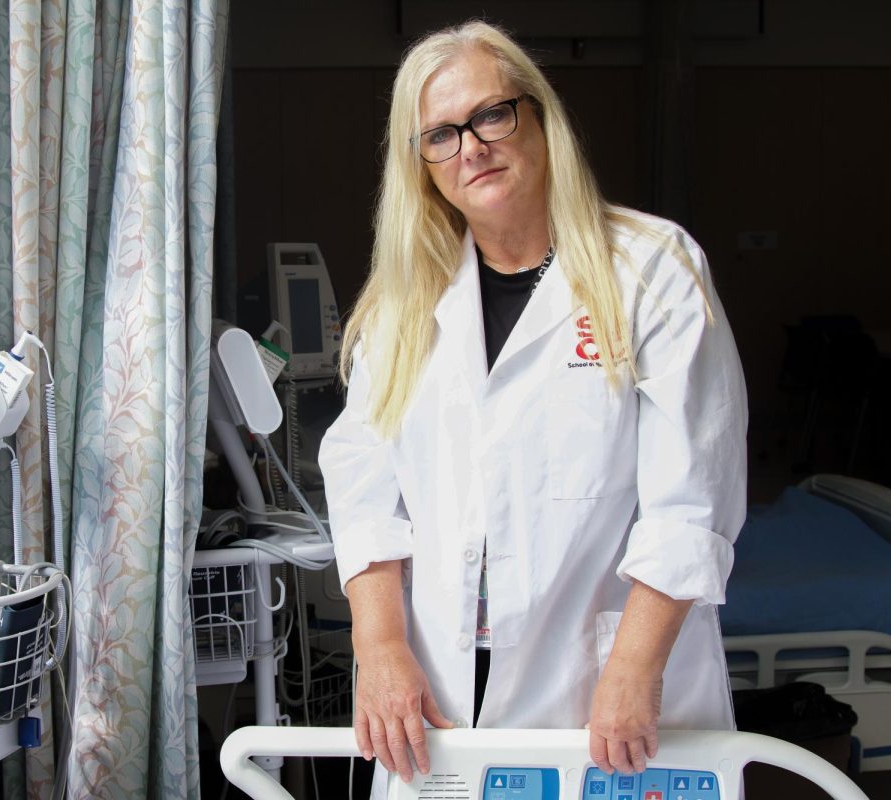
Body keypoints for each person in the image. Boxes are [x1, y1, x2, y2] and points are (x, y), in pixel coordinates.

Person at [317, 20, 747, 798]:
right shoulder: (404, 304)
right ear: (422, 167)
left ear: (538, 117)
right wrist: (378, 644)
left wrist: (635, 670)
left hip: (604, 681)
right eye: (440, 135)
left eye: (490, 115)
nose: (470, 148)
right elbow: (364, 489)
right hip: (442, 689)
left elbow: (695, 497)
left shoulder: (653, 270)